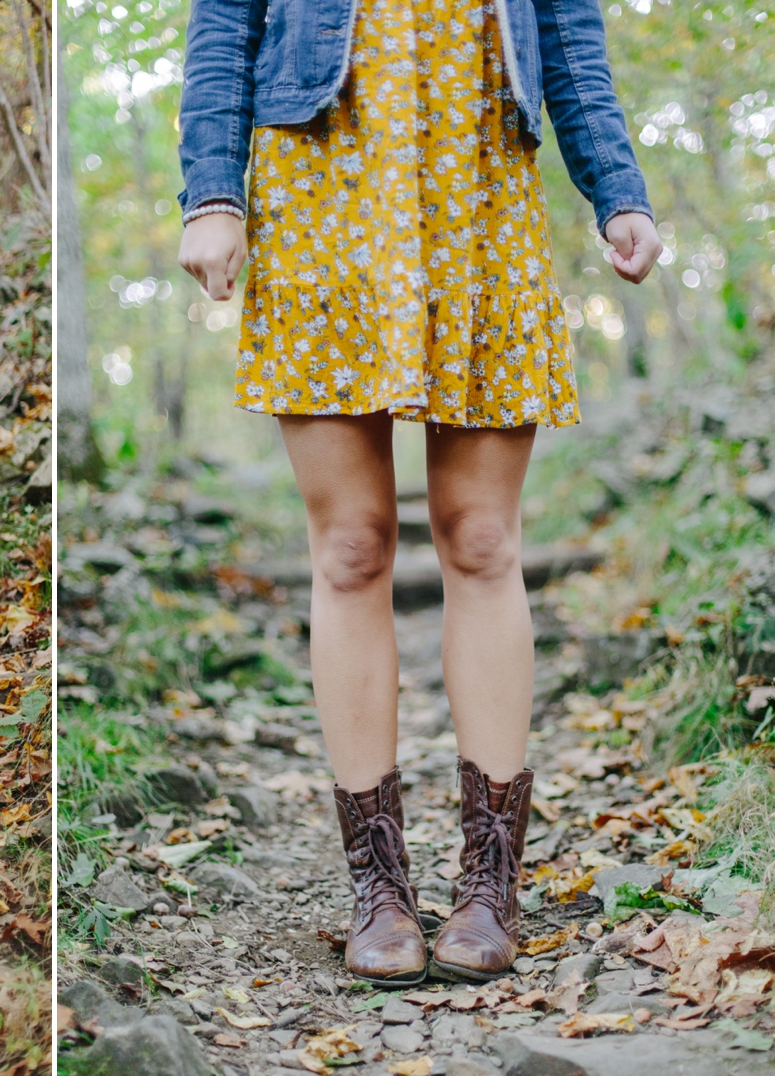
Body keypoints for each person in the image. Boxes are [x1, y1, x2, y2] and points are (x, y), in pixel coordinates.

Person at [175, 0, 660, 982]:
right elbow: (224, 20)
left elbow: (568, 31)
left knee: (481, 537)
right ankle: (379, 881)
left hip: (480, 172)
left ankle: (491, 878)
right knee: (351, 546)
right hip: (323, 170)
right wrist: (212, 191)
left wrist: (619, 190)